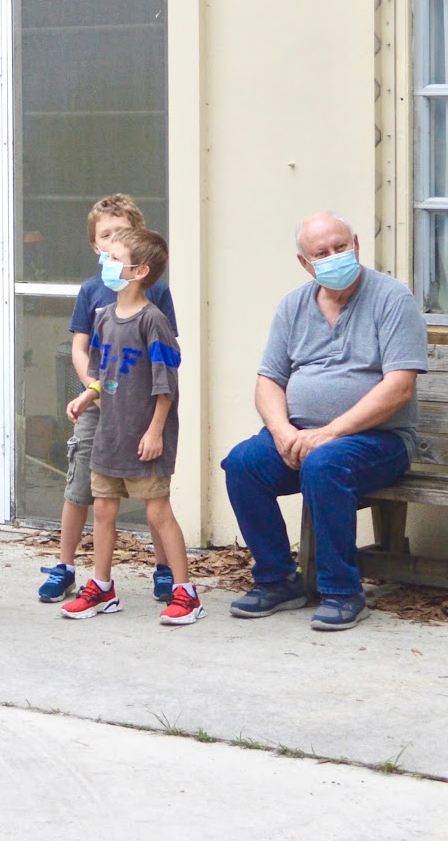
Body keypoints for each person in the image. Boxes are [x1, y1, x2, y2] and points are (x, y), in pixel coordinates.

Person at [221, 213, 427, 632]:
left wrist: (330, 433)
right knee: (243, 465)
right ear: (305, 262)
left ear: (355, 244)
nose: (334, 257)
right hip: (301, 434)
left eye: (340, 247)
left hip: (379, 440)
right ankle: (279, 579)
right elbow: (268, 381)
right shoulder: (294, 305)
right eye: (321, 253)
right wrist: (282, 432)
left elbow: (399, 387)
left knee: (325, 463)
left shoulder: (392, 298)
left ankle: (341, 590)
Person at [38, 194, 179, 606]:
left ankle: (166, 570)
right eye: (106, 236)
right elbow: (82, 349)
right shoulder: (91, 292)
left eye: (122, 234)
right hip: (100, 405)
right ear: (95, 247)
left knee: (153, 493)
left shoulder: (158, 295)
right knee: (83, 485)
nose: (113, 242)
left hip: (140, 409)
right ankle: (64, 567)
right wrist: (94, 390)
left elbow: (165, 357)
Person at [58, 227, 202, 625]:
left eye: (115, 258)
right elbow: (102, 371)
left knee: (158, 512)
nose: (106, 261)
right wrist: (88, 395)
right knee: (103, 509)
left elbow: (166, 383)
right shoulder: (103, 317)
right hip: (110, 436)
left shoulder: (154, 322)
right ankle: (101, 587)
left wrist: (156, 430)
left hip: (145, 439)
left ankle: (185, 592)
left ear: (139, 271)